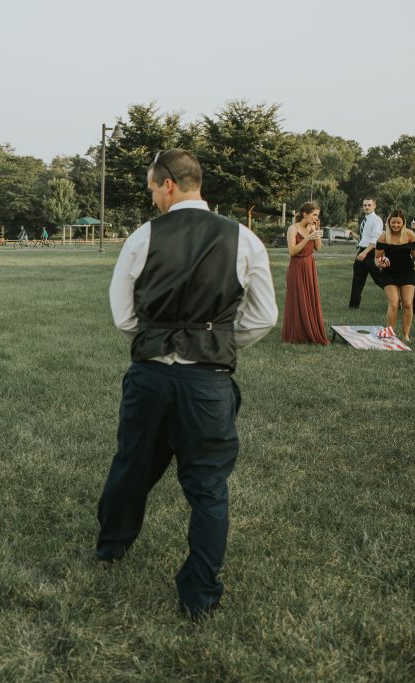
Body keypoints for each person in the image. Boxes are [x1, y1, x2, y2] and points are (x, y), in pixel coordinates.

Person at [98, 149, 277, 618]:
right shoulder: (244, 239)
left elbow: (123, 316)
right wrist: (216, 341)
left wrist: (158, 340)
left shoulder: (143, 237)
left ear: (169, 184)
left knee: (132, 465)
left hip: (152, 377)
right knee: (208, 487)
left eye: (152, 188)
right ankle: (200, 594)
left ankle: (111, 547)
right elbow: (263, 316)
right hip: (208, 383)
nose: (152, 198)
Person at [282, 201, 330, 345]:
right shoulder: (292, 229)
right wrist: (307, 238)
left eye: (317, 215)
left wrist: (316, 232)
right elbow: (292, 251)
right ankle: (297, 333)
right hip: (296, 266)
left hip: (309, 266)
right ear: (305, 214)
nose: (316, 218)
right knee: (297, 298)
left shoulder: (312, 227)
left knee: (310, 297)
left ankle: (310, 330)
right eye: (314, 215)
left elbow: (318, 248)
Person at [375, 209, 415, 341]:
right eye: (393, 222)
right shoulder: (383, 237)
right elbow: (376, 258)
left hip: (407, 273)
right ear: (389, 222)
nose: (395, 225)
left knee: (408, 304)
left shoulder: (410, 234)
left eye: (398, 223)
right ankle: (390, 333)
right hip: (389, 274)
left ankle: (406, 335)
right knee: (394, 304)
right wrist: (379, 264)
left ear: (403, 223)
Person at [349, 198, 385, 308]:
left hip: (370, 253)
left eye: (369, 205)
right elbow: (364, 238)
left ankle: (397, 299)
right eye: (365, 205)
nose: (367, 207)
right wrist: (353, 235)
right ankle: (353, 306)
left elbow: (375, 239)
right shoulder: (365, 219)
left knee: (379, 279)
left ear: (374, 206)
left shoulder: (376, 220)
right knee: (357, 279)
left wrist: (364, 253)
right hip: (362, 250)